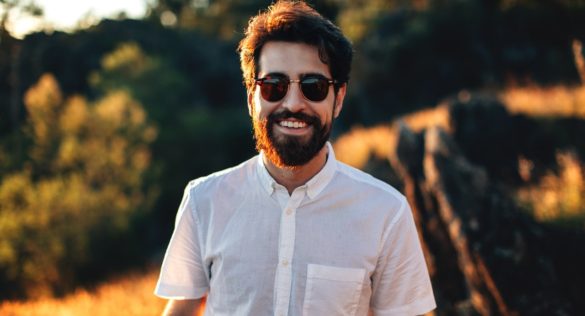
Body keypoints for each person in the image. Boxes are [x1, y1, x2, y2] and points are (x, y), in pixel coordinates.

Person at [154, 1, 436, 315]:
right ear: (251, 98)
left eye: (313, 87)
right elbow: (182, 306)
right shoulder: (203, 201)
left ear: (338, 99)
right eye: (274, 86)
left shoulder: (386, 212)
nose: (293, 103)